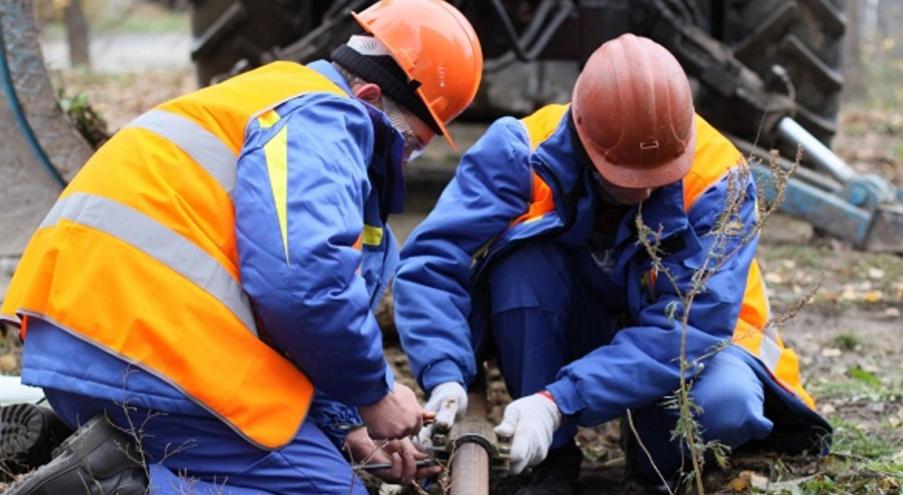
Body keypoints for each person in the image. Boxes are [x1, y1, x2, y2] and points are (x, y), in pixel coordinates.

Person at [0, 1, 482, 493]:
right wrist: (374, 392)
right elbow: (304, 284)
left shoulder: (272, 95)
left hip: (80, 344)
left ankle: (96, 448)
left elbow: (281, 310)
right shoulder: (326, 116)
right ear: (370, 95)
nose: (403, 162)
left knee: (308, 459)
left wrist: (348, 425)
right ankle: (115, 482)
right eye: (409, 144)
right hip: (147, 358)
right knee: (326, 489)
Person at [394, 34, 830, 494]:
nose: (642, 193)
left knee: (726, 403)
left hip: (693, 344)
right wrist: (444, 373)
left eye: (658, 178)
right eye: (625, 179)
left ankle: (657, 471)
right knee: (524, 266)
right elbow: (432, 260)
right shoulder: (522, 151)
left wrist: (558, 401)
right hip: (578, 316)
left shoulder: (720, 180)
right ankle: (548, 463)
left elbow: (689, 328)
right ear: (583, 138)